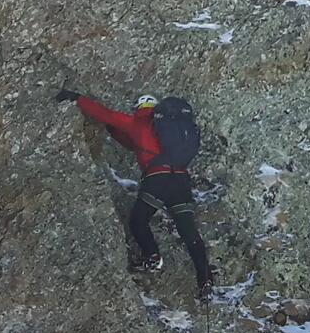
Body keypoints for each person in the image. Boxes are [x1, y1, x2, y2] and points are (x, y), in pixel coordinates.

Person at [55, 88, 215, 299]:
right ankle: (205, 279)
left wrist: (77, 98)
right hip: (181, 181)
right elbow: (135, 145)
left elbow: (105, 114)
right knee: (188, 231)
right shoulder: (165, 130)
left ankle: (152, 257)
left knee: (138, 221)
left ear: (139, 107)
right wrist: (114, 132)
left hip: (158, 178)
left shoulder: (137, 121)